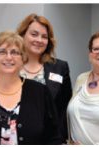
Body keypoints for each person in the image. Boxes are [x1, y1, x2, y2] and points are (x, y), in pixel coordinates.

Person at [16, 13, 72, 143]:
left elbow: (65, 107)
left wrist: (64, 138)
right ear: (23, 35)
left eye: (44, 37)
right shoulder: (10, 66)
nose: (39, 40)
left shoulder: (59, 67)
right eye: (34, 34)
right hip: (15, 137)